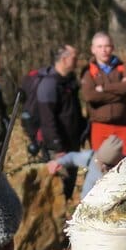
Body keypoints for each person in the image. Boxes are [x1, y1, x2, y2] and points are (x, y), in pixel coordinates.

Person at [35, 44, 86, 199]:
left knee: (69, 185)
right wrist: (57, 149)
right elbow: (47, 120)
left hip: (72, 143)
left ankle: (64, 219)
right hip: (58, 148)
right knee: (58, 189)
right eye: (74, 58)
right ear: (64, 59)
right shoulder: (49, 85)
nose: (77, 61)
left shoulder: (69, 81)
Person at [80, 32, 126, 156]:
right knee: (100, 166)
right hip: (99, 126)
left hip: (122, 124)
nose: (104, 50)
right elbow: (90, 96)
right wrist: (120, 91)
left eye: (107, 46)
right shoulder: (88, 71)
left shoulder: (123, 66)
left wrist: (104, 88)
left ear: (112, 47)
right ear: (93, 49)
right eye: (99, 47)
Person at [45, 134, 124, 200]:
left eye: (106, 165)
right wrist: (58, 162)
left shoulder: (124, 171)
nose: (101, 167)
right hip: (86, 204)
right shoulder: (91, 157)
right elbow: (72, 157)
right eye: (99, 161)